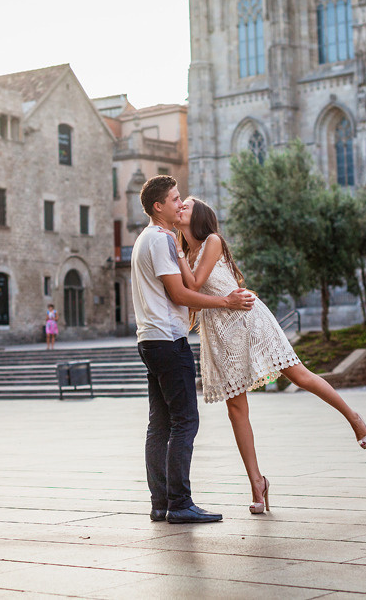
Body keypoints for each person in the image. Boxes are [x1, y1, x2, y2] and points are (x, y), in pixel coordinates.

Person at [170, 196, 366, 515]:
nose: (180, 207)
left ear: (199, 216)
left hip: (247, 321)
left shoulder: (211, 241)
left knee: (299, 375)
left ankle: (354, 417)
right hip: (219, 334)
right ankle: (257, 484)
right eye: (178, 204)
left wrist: (177, 251)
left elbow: (194, 284)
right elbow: (187, 296)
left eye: (186, 205)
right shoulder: (186, 253)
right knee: (235, 409)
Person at [130, 175, 255, 525]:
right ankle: (180, 503)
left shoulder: (144, 239)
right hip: (168, 341)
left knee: (160, 424)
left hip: (149, 339)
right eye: (174, 199)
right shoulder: (160, 240)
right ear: (158, 207)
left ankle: (161, 504)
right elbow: (180, 294)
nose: (179, 202)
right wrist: (227, 301)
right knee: (185, 421)